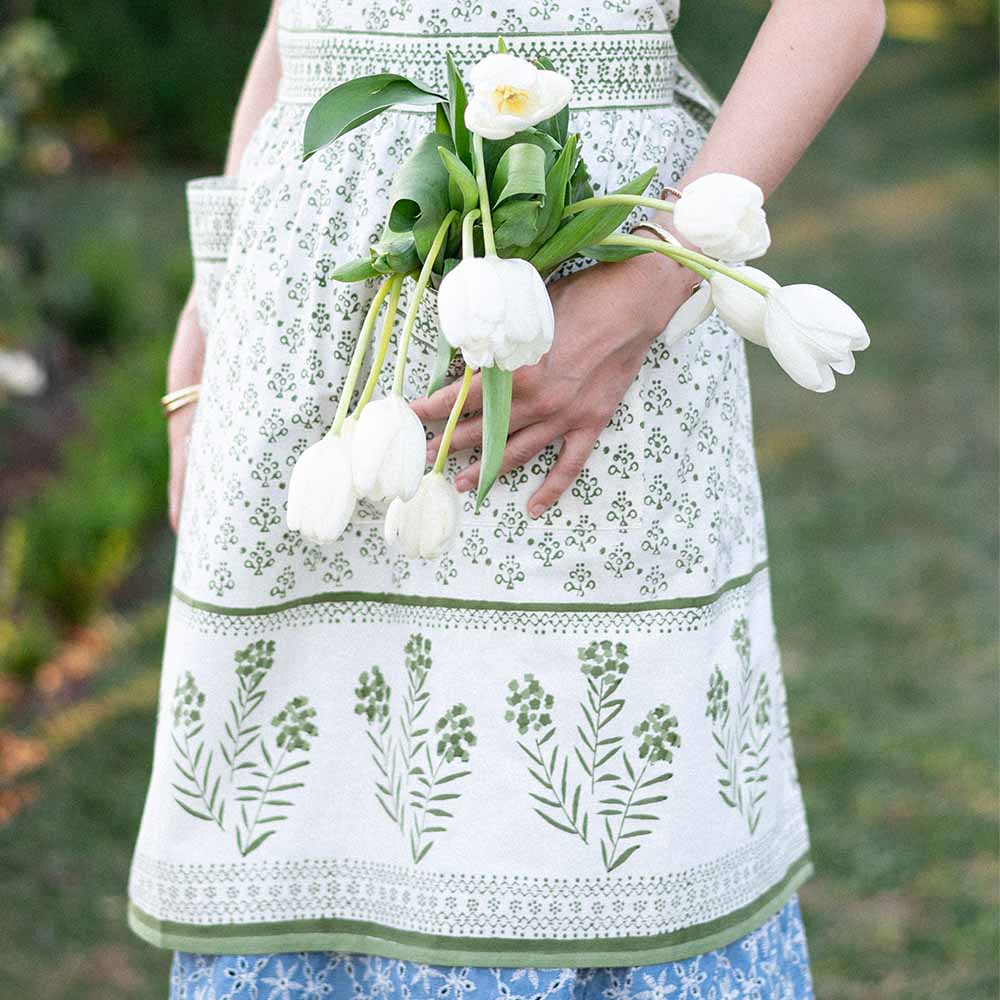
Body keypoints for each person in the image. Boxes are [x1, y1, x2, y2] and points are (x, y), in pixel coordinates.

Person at [132, 1, 885, 997]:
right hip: (303, 330)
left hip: (593, 287)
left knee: (601, 823)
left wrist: (649, 289)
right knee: (308, 817)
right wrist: (210, 296)